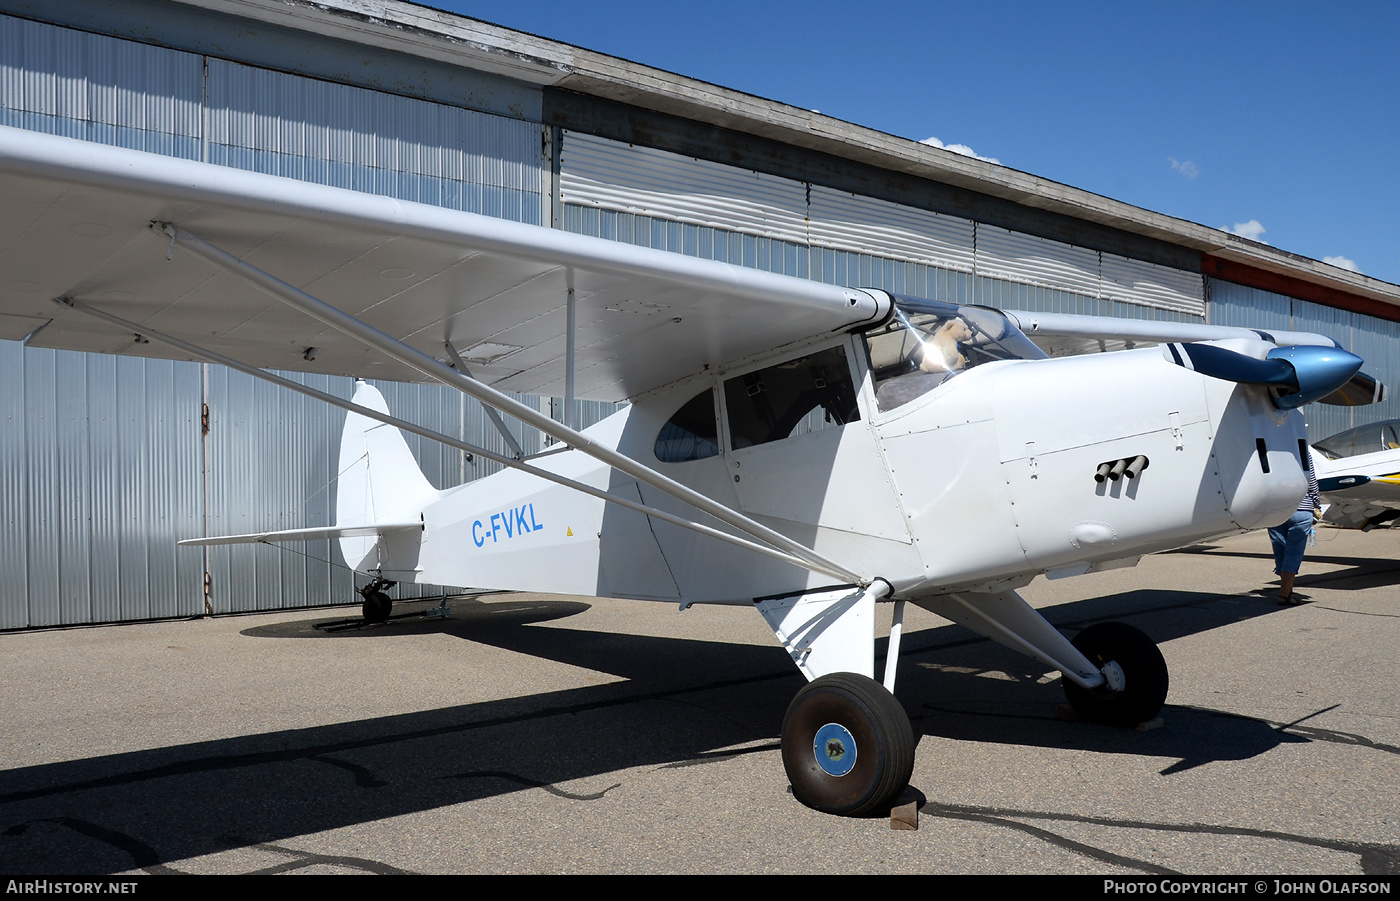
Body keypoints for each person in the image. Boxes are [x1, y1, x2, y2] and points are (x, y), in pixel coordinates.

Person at [1269, 448, 1321, 606]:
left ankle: (1287, 592)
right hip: (1301, 508)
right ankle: (1284, 595)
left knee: (1281, 552)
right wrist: (1316, 505)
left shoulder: (1269, 450)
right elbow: (1311, 480)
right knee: (1293, 553)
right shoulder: (1301, 449)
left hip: (1275, 508)